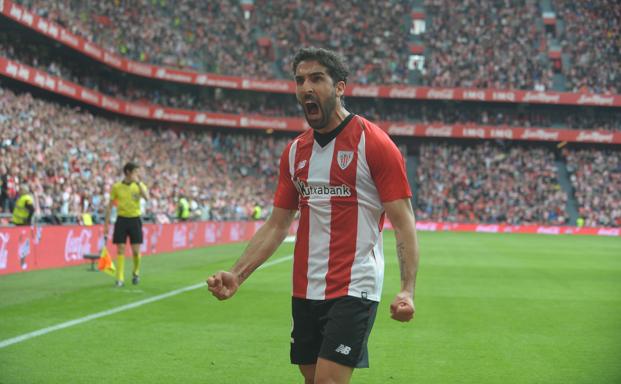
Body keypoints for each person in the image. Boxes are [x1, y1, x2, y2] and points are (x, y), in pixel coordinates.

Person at [207, 47, 420, 384]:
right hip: (306, 287)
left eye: (317, 78)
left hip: (355, 285)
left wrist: (407, 289)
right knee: (312, 379)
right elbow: (278, 224)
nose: (306, 87)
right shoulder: (295, 152)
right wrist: (238, 273)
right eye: (299, 80)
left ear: (339, 87)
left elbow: (404, 222)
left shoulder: (373, 144)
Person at [104, 162, 149, 287]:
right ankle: (120, 278)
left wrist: (139, 183)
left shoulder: (139, 186)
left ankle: (136, 272)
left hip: (135, 219)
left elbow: (147, 198)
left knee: (135, 251)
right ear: (128, 172)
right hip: (121, 219)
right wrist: (106, 224)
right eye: (136, 172)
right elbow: (109, 206)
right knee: (121, 248)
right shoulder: (117, 187)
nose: (138, 174)